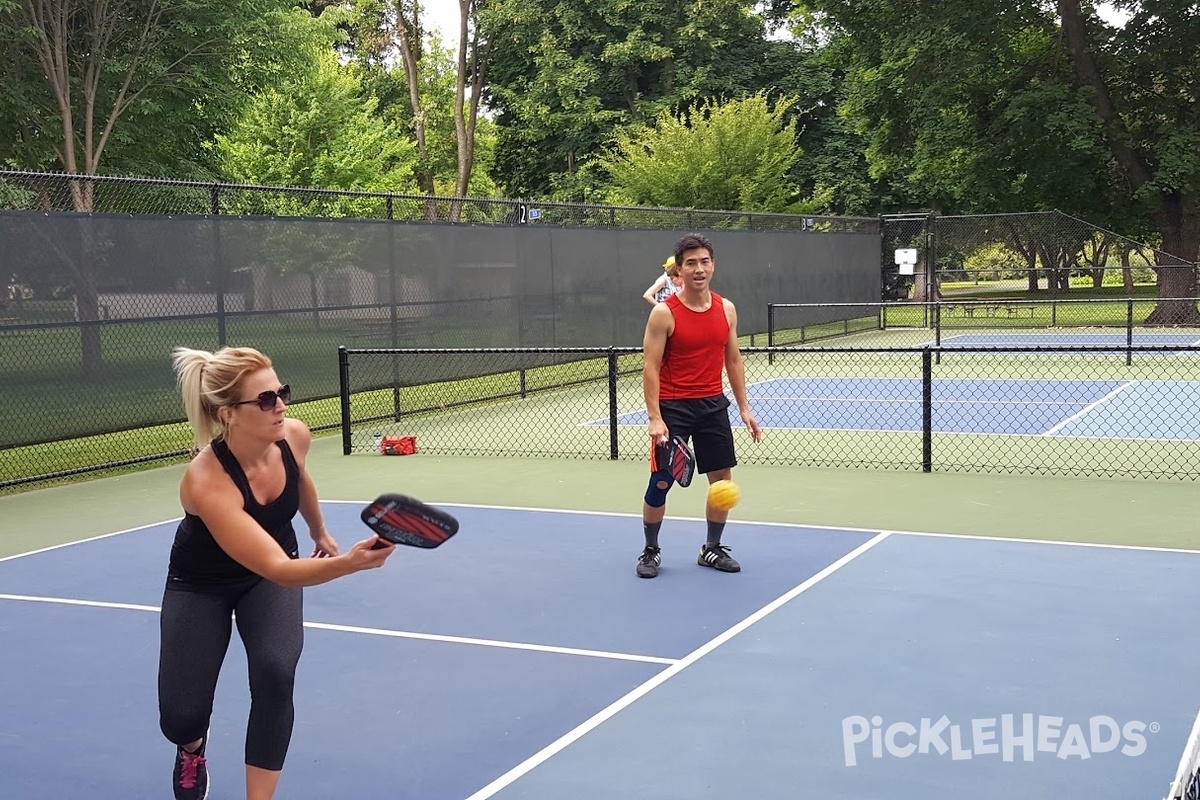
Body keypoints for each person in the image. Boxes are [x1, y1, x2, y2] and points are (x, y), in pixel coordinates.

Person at [159, 346, 396, 800]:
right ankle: (192, 748)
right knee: (181, 714)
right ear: (229, 414)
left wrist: (319, 530)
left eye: (281, 392)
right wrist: (348, 563)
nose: (281, 405)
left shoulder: (294, 436)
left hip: (270, 572)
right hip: (203, 582)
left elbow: (300, 477)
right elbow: (277, 568)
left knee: (275, 672)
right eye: (265, 399)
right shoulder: (205, 480)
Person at [637, 234, 762, 578]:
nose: (698, 268)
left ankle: (712, 548)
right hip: (674, 408)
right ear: (679, 270)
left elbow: (733, 360)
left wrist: (744, 408)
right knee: (661, 481)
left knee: (721, 481)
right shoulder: (664, 314)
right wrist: (655, 418)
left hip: (712, 406)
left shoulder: (726, 309)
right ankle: (650, 550)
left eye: (704, 261)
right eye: (690, 263)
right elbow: (650, 366)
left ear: (713, 266)